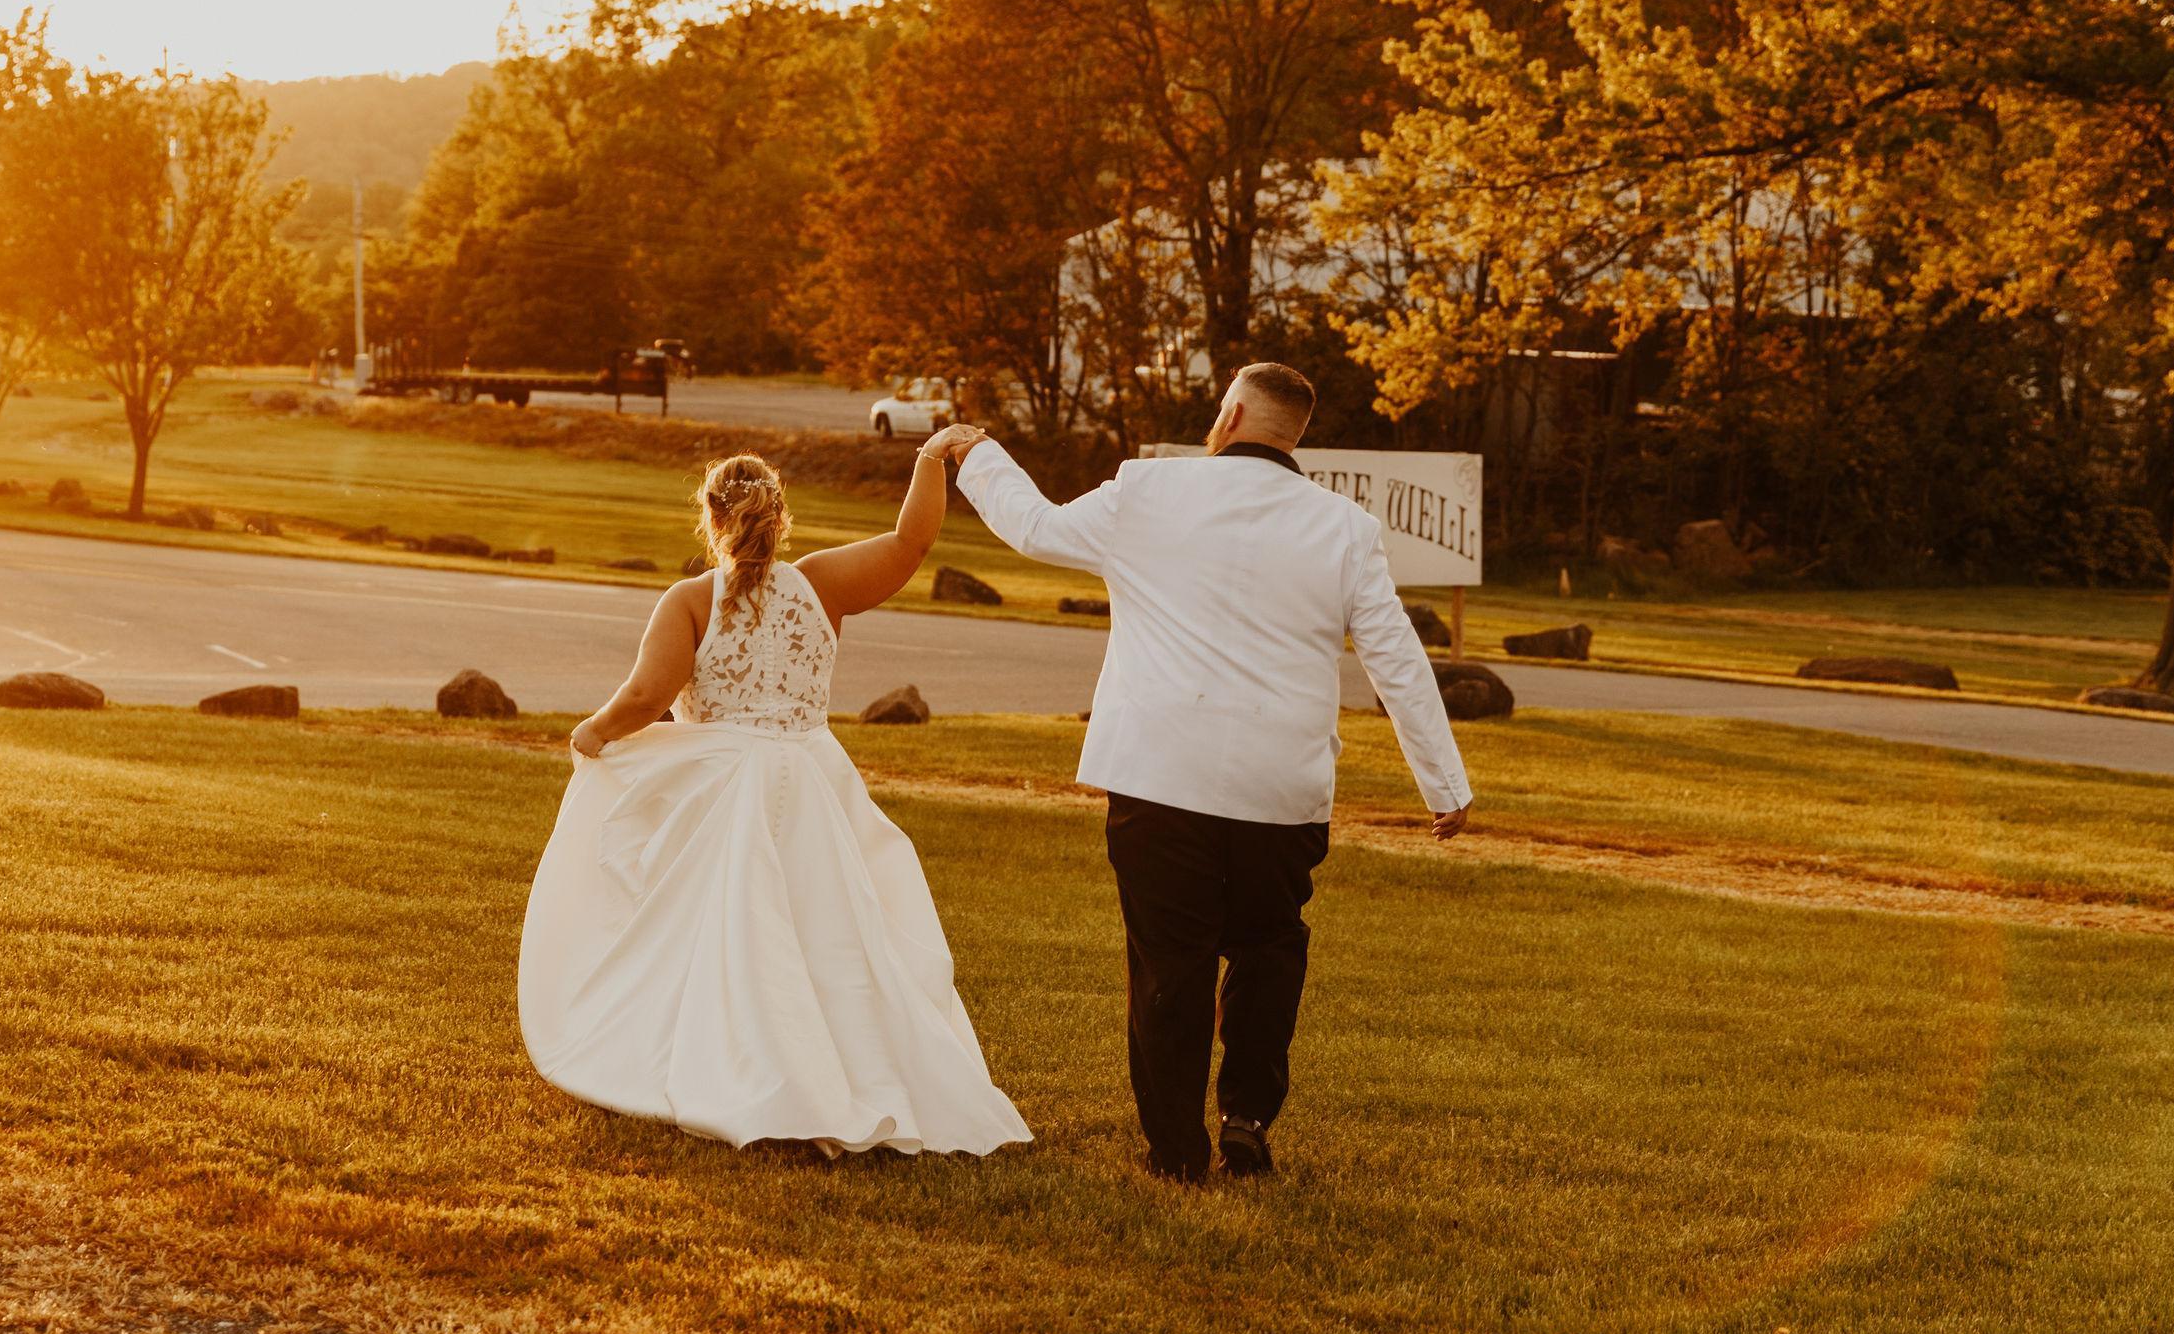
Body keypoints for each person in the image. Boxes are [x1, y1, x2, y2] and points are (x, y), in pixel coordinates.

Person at [951, 363, 1472, 1183]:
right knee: (1270, 948)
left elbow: (1035, 527)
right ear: (1294, 437)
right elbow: (1397, 662)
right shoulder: (1345, 529)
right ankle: (1247, 1117)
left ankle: (1176, 1151)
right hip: (1281, 787)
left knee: (1170, 961)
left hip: (1160, 776)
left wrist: (977, 452)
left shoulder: (1147, 492)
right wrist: (1444, 786)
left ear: (1229, 415)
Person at [516, 429, 1030, 1157]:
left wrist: (591, 733)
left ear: (710, 517)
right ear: (780, 514)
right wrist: (928, 460)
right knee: (826, 933)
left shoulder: (692, 600)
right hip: (811, 779)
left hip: (723, 787)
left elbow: (645, 697)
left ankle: (739, 1070)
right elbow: (911, 543)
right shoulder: (822, 584)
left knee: (719, 930)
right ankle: (847, 1074)